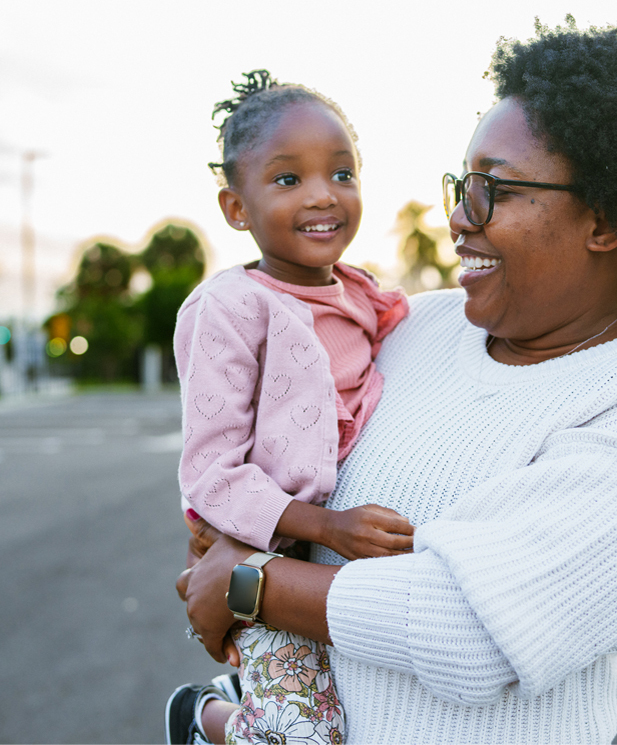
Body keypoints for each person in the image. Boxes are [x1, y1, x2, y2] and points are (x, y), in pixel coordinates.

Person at [176, 19, 617, 744]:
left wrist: (246, 583)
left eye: (493, 190)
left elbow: (472, 629)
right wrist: (225, 534)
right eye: (461, 185)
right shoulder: (416, 326)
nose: (458, 217)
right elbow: (268, 448)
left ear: (606, 220)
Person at [166, 71, 413, 745]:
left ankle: (242, 705)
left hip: (316, 566)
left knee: (339, 711)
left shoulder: (365, 300)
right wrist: (328, 527)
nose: (322, 196)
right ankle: (202, 719)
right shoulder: (229, 308)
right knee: (306, 735)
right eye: (287, 180)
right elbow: (211, 474)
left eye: (342, 172)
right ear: (235, 208)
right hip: (256, 548)